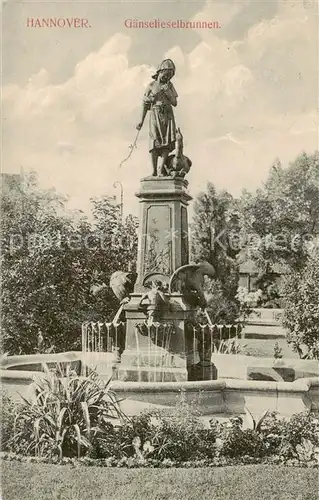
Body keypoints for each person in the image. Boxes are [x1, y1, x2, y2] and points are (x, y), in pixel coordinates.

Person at [136, 59, 178, 176]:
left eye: (170, 76)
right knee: (154, 142)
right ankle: (154, 171)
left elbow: (174, 102)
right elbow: (144, 105)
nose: (167, 78)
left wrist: (168, 92)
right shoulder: (151, 86)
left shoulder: (170, 86)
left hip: (167, 116)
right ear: (160, 71)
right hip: (155, 115)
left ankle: (160, 171)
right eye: (166, 74)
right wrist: (141, 121)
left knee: (165, 143)